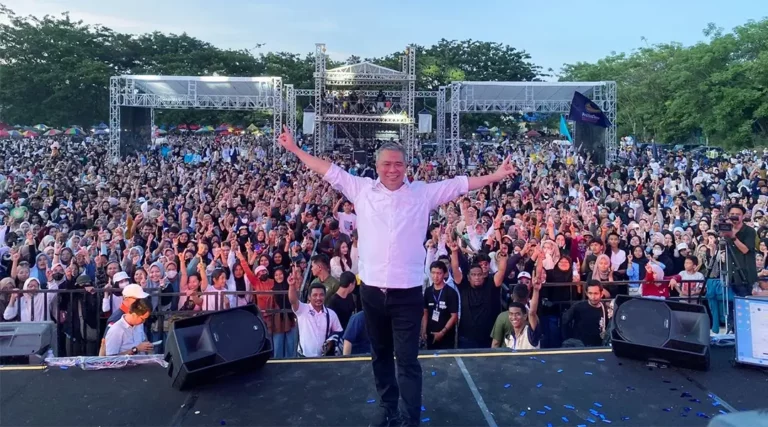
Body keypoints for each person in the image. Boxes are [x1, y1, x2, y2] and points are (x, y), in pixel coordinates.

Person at [279, 126, 516, 426]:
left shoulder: (422, 193)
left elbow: (460, 184)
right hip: (373, 292)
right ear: (376, 166)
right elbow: (329, 170)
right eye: (386, 164)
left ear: (407, 167)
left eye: (398, 164)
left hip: (407, 293)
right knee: (379, 354)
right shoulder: (361, 189)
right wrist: (296, 150)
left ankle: (409, 417)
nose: (393, 170)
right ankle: (387, 407)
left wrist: (495, 176)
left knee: (406, 359)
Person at [288, 279, 343, 357]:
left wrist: (330, 342)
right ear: (309, 297)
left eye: (321, 295)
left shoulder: (331, 314)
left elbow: (338, 333)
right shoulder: (302, 309)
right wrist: (291, 285)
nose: (318, 298)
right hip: (304, 358)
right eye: (315, 295)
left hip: (323, 359)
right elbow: (293, 301)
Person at [490, 279, 541, 349]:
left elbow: (532, 313)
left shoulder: (530, 332)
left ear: (525, 316)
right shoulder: (510, 338)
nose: (514, 317)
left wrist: (536, 290)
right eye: (511, 314)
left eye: (517, 314)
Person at [421, 261, 459, 350]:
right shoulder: (428, 291)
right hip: (431, 333)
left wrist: (442, 332)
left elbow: (454, 316)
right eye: (433, 273)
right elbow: (425, 312)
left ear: (444, 274)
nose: (435, 276)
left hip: (446, 335)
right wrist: (424, 329)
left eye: (439, 273)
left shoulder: (451, 292)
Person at [561, 280, 609, 347]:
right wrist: (568, 339)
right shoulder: (578, 306)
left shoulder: (605, 309)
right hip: (579, 347)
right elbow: (565, 321)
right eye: (590, 293)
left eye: (596, 293)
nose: (593, 297)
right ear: (586, 293)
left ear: (601, 294)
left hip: (598, 347)